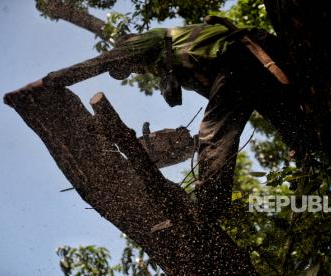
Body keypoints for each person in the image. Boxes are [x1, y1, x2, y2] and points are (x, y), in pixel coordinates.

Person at [22, 19, 302, 220]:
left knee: (212, 135)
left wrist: (49, 81)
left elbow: (99, 63)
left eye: (130, 65)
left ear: (130, 49)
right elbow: (241, 104)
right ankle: (306, 154)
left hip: (244, 57)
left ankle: (207, 212)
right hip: (255, 68)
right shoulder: (178, 59)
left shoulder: (151, 40)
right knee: (297, 135)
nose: (137, 70)